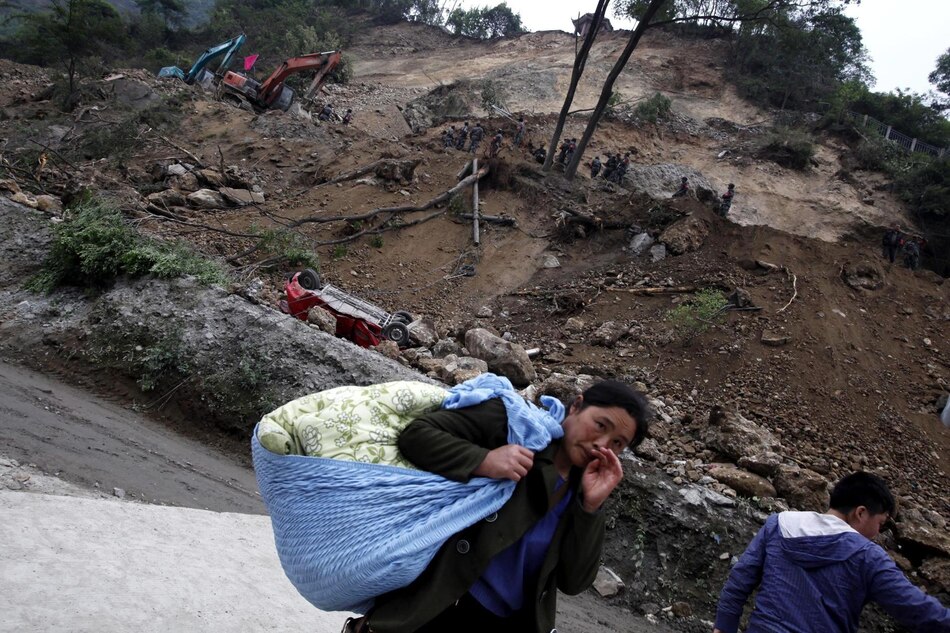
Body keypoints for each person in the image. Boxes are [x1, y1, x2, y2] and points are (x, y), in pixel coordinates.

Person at [349, 381, 651, 633]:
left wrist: (590, 508)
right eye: (600, 425)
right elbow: (417, 435)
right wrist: (483, 461)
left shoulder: (583, 488)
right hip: (439, 606)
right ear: (576, 406)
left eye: (617, 443)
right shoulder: (518, 427)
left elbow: (574, 583)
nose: (603, 444)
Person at [714, 472, 950, 633]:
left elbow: (740, 580)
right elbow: (918, 610)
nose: (878, 533)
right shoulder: (868, 557)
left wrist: (723, 626)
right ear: (860, 513)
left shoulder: (779, 525)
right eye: (880, 523)